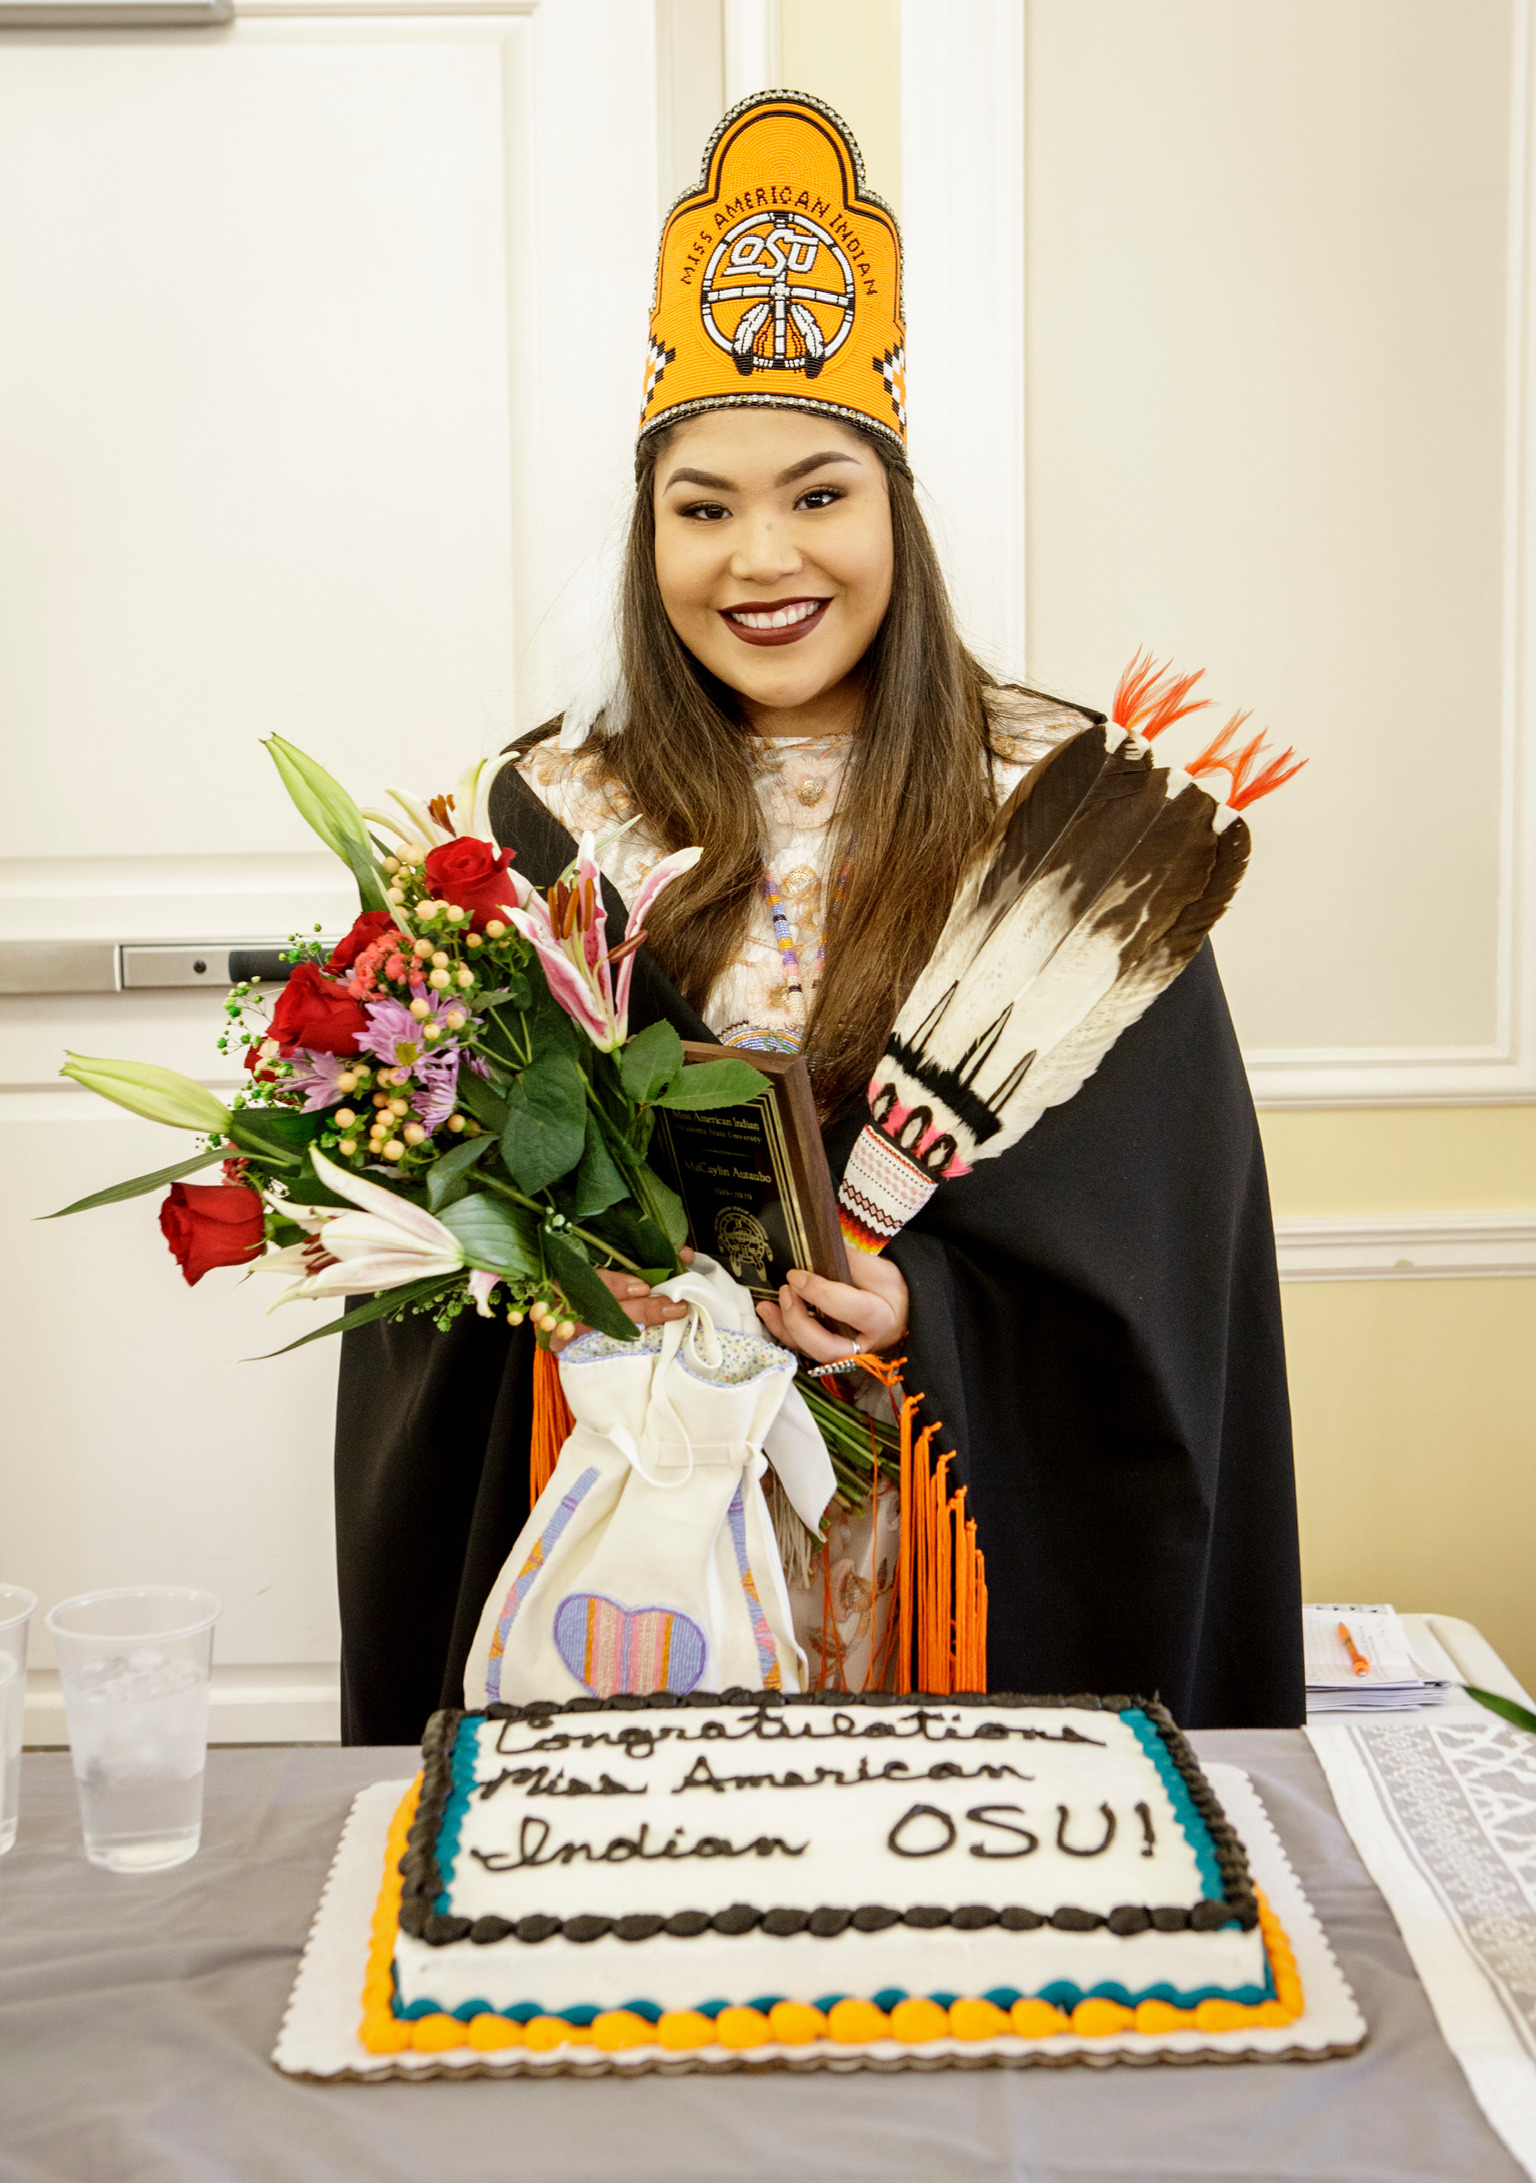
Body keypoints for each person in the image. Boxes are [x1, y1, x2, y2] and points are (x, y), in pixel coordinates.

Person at [334, 92, 1304, 1745]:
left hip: (938, 1528)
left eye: (817, 493)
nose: (760, 557)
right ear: (649, 538)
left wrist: (929, 1301)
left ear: (896, 519)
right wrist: (567, 1278)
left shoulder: (1065, 817)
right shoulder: (551, 815)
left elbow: (1160, 1222)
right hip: (632, 1533)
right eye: (701, 506)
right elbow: (432, 1253)